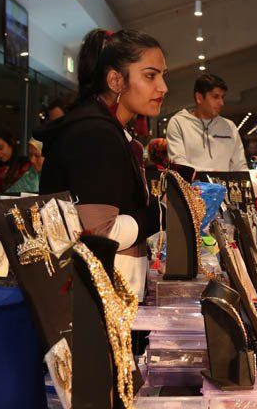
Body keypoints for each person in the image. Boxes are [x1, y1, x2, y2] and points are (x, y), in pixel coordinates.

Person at [37, 28, 166, 299]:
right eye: (150, 76)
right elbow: (99, 234)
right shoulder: (96, 134)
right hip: (97, 298)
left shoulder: (107, 130)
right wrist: (161, 214)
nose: (163, 87)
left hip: (102, 292)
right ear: (116, 80)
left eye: (162, 76)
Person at [166, 74, 257, 184]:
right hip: (191, 195)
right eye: (215, 97)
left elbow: (240, 167)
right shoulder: (178, 123)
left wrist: (254, 175)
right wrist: (212, 175)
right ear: (199, 98)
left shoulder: (229, 126)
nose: (221, 103)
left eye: (222, 97)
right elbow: (179, 165)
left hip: (224, 197)